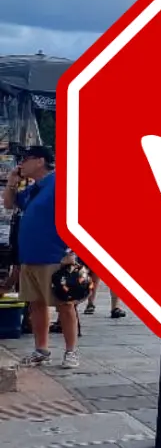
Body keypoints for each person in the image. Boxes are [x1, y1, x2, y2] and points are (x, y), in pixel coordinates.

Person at [2, 146, 80, 369]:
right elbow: (9, 204)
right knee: (36, 304)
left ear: (39, 161)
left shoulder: (59, 183)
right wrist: (11, 183)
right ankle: (41, 349)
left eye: (25, 160)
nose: (21, 164)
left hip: (55, 255)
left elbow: (76, 215)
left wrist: (71, 251)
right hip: (30, 256)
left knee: (64, 304)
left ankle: (71, 350)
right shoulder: (34, 189)